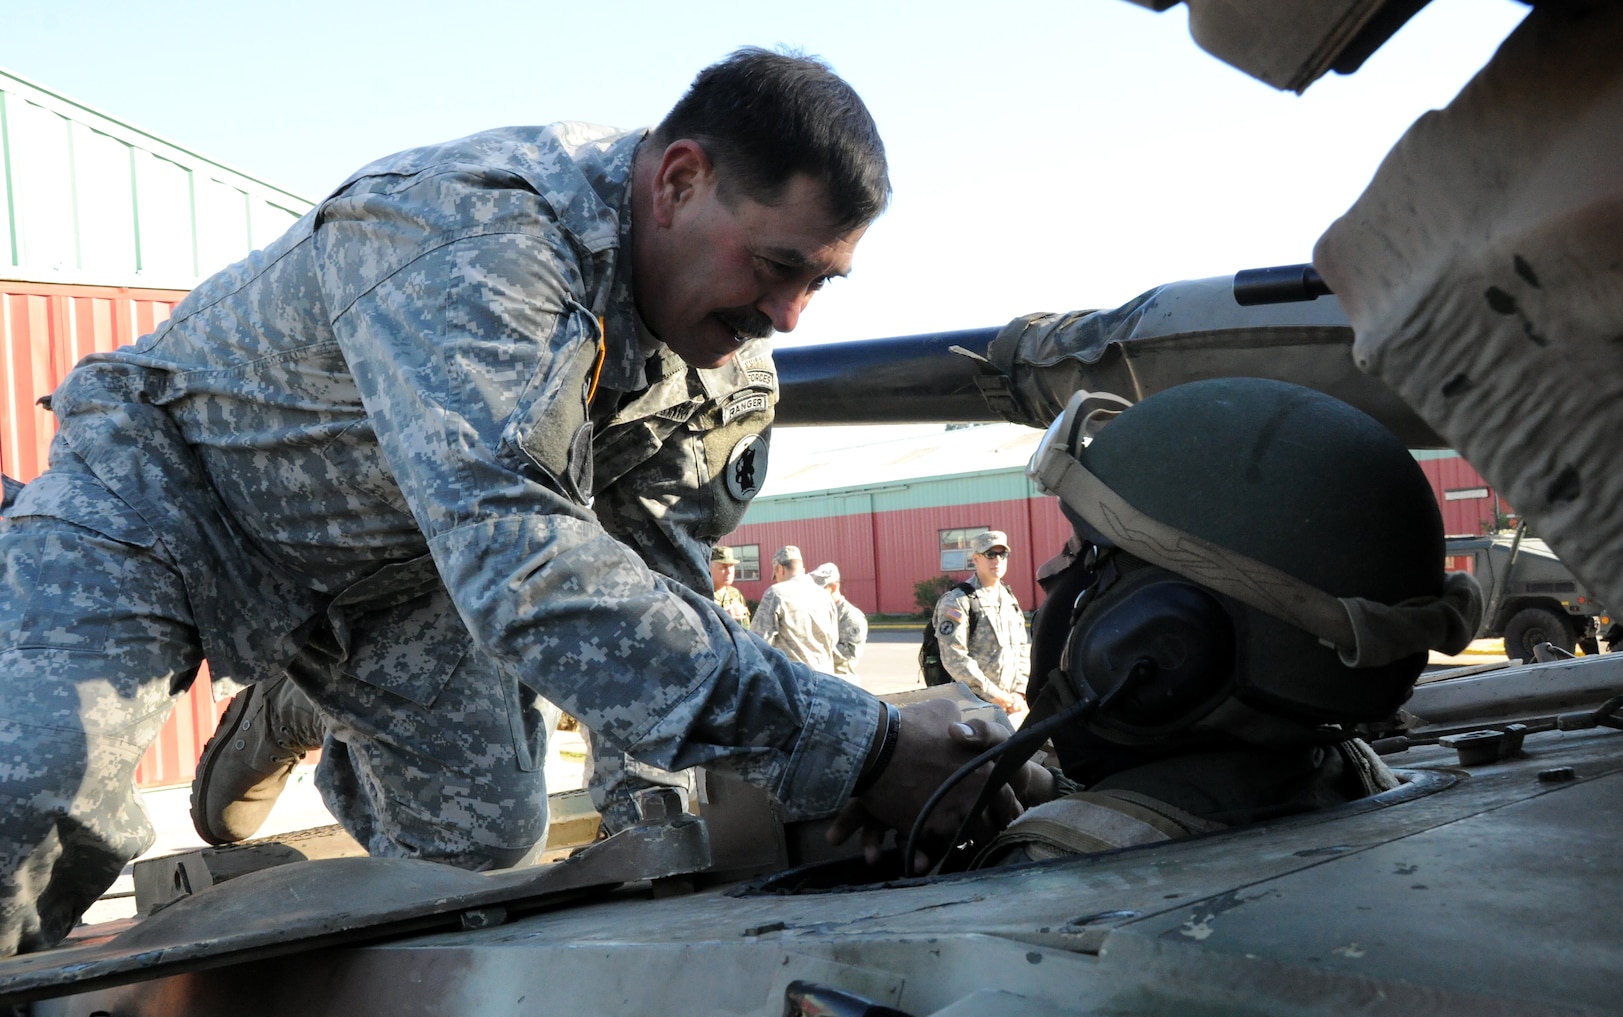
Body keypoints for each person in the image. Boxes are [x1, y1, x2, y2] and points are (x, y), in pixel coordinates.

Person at [0, 49, 1017, 957]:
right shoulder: (480, 233)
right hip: (171, 495)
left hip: (410, 575)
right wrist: (862, 745)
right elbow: (529, 571)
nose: (787, 317)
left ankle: (306, 692)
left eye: (822, 286)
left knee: (481, 849)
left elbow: (651, 601)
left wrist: (669, 838)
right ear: (679, 182)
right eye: (778, 265)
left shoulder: (731, 378)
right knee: (31, 787)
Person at [966, 379, 1482, 867]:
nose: (1052, 572)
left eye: (1082, 552)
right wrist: (1058, 792)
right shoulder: (1354, 772)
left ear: (1168, 640)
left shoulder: (1049, 874)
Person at [933, 531, 1031, 725]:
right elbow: (954, 656)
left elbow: (1021, 648)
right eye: (990, 554)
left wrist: (1019, 692)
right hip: (973, 706)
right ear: (976, 559)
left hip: (1011, 706)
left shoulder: (1009, 598)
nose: (997, 560)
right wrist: (993, 694)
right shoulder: (958, 600)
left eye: (1002, 555)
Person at [751, 545, 840, 673]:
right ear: (802, 569)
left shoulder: (776, 593)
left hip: (794, 680)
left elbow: (758, 642)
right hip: (825, 679)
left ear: (780, 569)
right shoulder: (825, 595)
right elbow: (833, 640)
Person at [811, 562, 867, 683]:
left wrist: (814, 647)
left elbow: (850, 653)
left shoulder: (851, 616)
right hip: (822, 679)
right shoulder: (818, 612)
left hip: (843, 682)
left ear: (834, 588)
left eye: (820, 589)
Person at [710, 545, 752, 629]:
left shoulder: (735, 594)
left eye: (731, 566)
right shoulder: (702, 594)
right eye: (723, 567)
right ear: (709, 568)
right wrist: (724, 617)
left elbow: (746, 629)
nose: (729, 572)